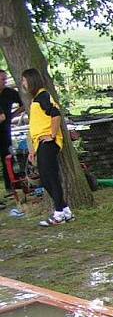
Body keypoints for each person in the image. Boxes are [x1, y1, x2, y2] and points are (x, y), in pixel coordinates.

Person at [21, 68, 74, 227]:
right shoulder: (36, 99)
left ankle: (58, 214)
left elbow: (56, 114)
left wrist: (51, 135)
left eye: (24, 80)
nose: (22, 83)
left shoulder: (43, 96)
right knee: (44, 179)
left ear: (31, 80)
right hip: (40, 144)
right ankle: (65, 211)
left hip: (48, 143)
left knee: (50, 178)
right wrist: (33, 149)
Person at [0, 70, 23, 206]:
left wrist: (12, 116)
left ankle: (11, 187)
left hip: (4, 131)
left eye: (5, 79)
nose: (5, 82)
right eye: (2, 79)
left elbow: (23, 103)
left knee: (7, 158)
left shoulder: (9, 93)